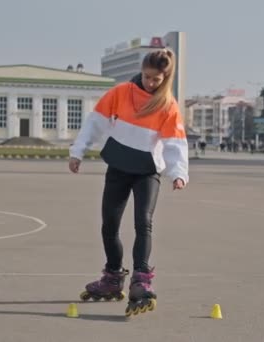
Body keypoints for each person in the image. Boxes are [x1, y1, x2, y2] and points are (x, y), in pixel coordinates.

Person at [68, 48, 189, 317]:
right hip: (119, 167)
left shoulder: (167, 105)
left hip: (147, 172)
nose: (150, 82)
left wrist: (178, 172)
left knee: (142, 221)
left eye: (157, 79)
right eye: (147, 77)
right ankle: (112, 276)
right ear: (141, 71)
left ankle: (141, 278)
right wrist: (78, 152)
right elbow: (94, 123)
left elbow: (175, 143)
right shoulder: (120, 92)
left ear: (166, 77)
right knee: (109, 224)